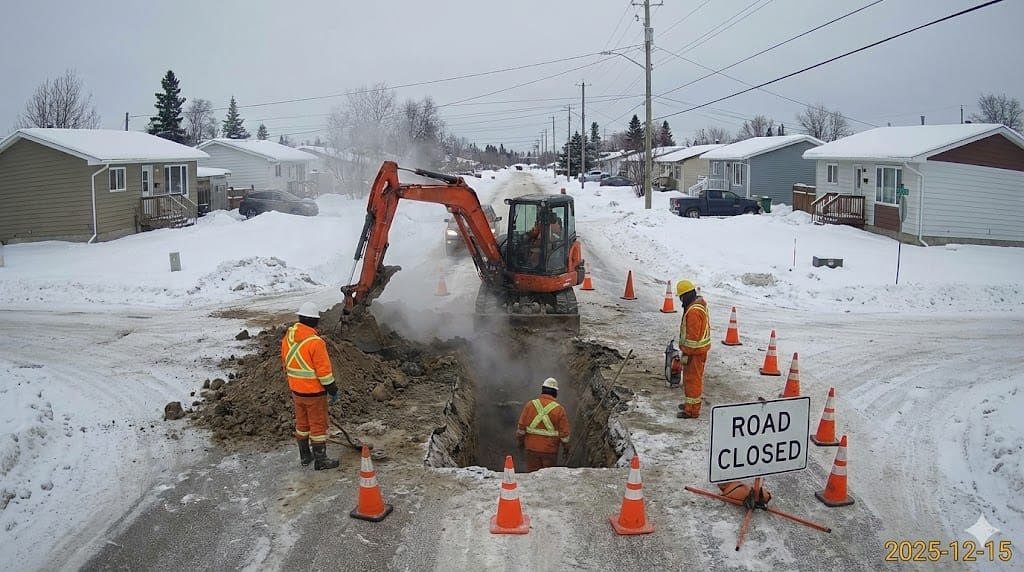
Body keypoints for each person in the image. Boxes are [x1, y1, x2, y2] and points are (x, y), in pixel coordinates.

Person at [281, 302, 340, 470]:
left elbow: (284, 362)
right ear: (315, 321)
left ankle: (305, 456)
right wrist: (333, 390)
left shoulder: (289, 337)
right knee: (318, 426)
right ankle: (321, 461)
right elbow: (324, 373)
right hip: (314, 393)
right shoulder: (316, 342)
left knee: (302, 424)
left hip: (296, 391)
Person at [516, 377, 571, 472]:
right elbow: (564, 435)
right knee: (547, 478)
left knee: (532, 475)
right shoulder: (559, 409)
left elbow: (521, 428)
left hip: (531, 449)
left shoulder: (530, 405)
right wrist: (566, 449)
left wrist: (521, 442)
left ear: (542, 390)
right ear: (555, 393)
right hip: (550, 451)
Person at [675, 280, 710, 419]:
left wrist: (686, 353)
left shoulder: (694, 312)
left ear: (686, 295)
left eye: (681, 297)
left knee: (692, 380)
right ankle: (690, 404)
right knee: (691, 379)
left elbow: (692, 338)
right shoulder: (697, 305)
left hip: (694, 353)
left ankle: (692, 410)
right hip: (697, 351)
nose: (681, 300)